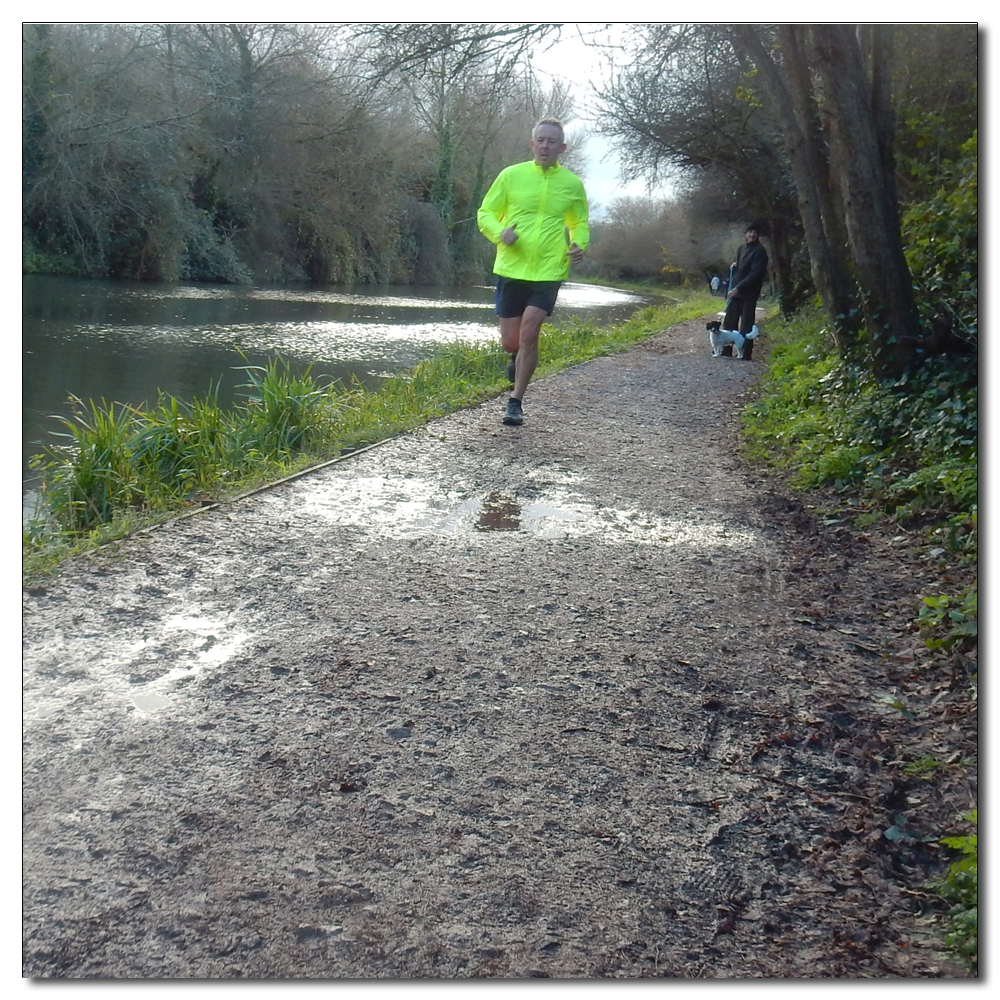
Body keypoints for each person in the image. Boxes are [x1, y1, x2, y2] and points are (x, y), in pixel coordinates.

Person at [477, 118, 590, 426]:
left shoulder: (571, 184)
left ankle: (516, 401)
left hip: (549, 269)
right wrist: (500, 233)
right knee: (511, 342)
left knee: (530, 332)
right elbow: (485, 212)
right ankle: (515, 358)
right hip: (511, 267)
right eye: (540, 140)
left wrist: (579, 244)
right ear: (531, 144)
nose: (545, 146)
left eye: (552, 141)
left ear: (562, 148)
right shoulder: (511, 176)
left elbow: (578, 222)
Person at [722, 223, 768, 359]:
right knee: (730, 321)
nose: (752, 234)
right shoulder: (741, 248)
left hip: (749, 293)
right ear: (745, 234)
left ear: (758, 235)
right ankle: (726, 350)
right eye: (749, 232)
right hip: (736, 291)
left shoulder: (760, 251)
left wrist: (738, 288)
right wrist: (734, 266)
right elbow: (739, 267)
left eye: (755, 232)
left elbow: (755, 274)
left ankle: (745, 352)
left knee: (747, 323)